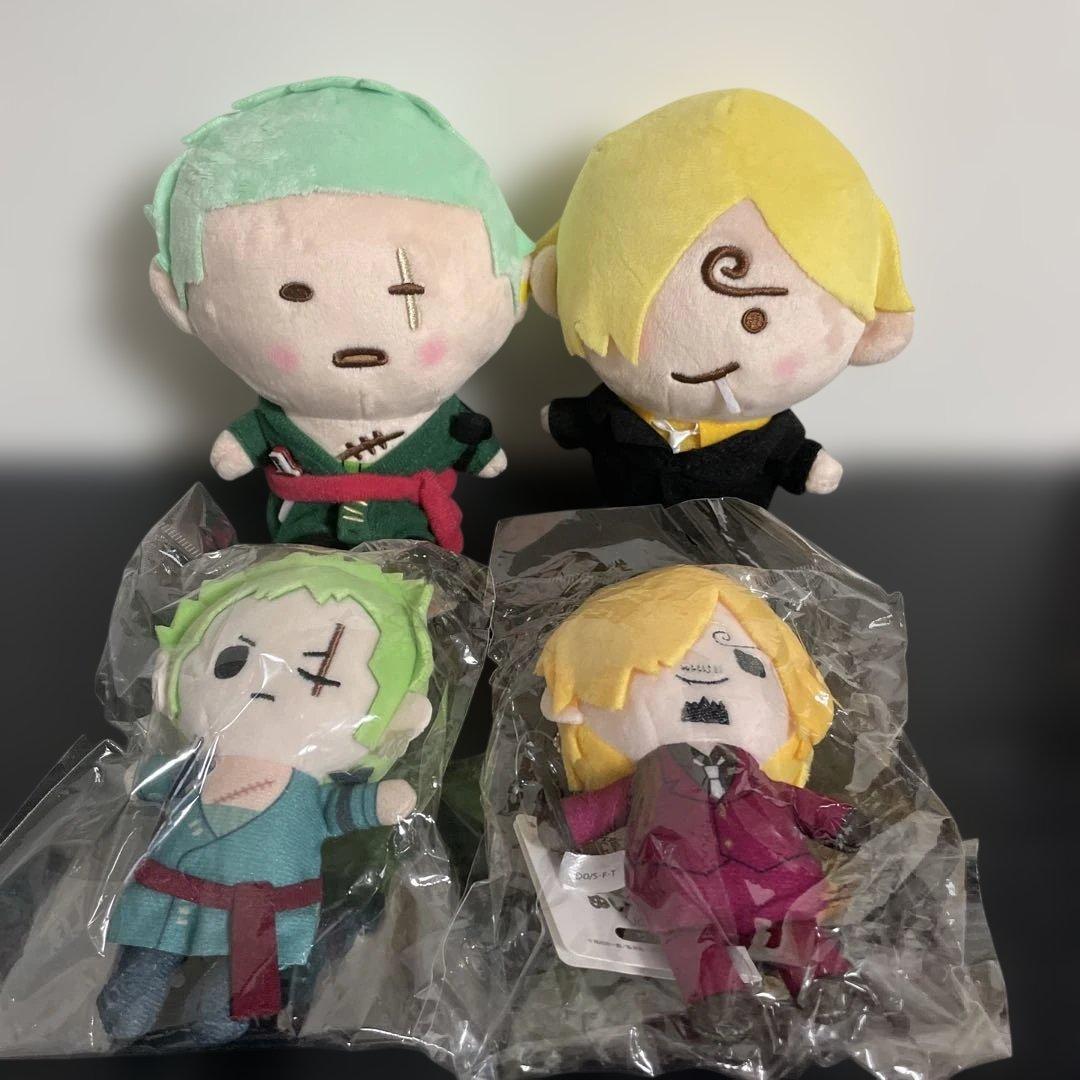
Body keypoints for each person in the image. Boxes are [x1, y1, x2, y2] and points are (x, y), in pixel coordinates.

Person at [148, 78, 532, 549]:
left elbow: (475, 447)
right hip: (306, 540)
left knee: (416, 578)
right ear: (178, 301)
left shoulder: (445, 419)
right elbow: (243, 446)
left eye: (406, 293)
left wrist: (482, 448)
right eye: (296, 294)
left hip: (416, 540)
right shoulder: (278, 421)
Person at [98, 552, 433, 1044]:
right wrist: (141, 776)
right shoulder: (198, 768)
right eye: (233, 662)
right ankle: (141, 989)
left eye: (318, 678)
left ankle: (224, 1006)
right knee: (150, 951)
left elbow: (333, 810)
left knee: (236, 989)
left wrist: (376, 802)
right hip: (173, 890)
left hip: (260, 913)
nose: (264, 685)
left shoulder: (307, 791)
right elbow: (162, 780)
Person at [531, 89, 914, 509]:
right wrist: (563, 420)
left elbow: (792, 456)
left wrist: (807, 464)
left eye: (755, 318)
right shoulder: (616, 414)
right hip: (627, 534)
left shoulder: (768, 434)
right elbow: (581, 420)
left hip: (735, 542)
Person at [535, 565, 870, 1036]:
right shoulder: (647, 777)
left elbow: (797, 801)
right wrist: (561, 823)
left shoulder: (756, 776)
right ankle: (721, 1003)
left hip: (778, 887)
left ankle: (827, 986)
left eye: (745, 662)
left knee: (797, 932)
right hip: (683, 894)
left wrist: (842, 823)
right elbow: (606, 807)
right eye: (663, 666)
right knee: (695, 944)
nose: (703, 671)